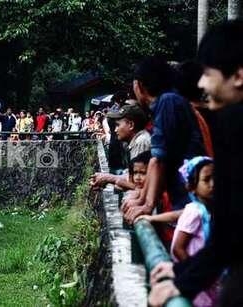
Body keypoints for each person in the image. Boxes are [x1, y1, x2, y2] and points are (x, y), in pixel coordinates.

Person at [148, 20, 243, 307]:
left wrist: (180, 282)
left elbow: (230, 233)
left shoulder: (234, 121)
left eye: (207, 74)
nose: (201, 84)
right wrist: (180, 270)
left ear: (238, 76)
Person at [122, 56, 205, 224]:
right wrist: (142, 199)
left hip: (189, 196)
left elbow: (158, 160)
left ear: (139, 85)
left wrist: (146, 204)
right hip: (185, 197)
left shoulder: (168, 102)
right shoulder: (170, 101)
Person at [90, 103, 150, 191]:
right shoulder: (136, 141)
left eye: (118, 125)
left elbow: (140, 185)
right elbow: (131, 178)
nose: (115, 130)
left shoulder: (141, 142)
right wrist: (107, 182)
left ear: (131, 125)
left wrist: (109, 178)